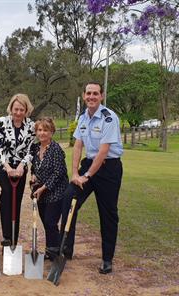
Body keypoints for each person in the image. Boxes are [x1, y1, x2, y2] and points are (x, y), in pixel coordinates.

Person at [60, 81, 123, 274]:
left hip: (108, 169)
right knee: (69, 199)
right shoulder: (83, 118)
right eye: (88, 93)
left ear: (101, 96)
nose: (91, 97)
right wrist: (75, 174)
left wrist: (86, 175)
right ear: (84, 95)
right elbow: (78, 145)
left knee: (108, 214)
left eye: (95, 93)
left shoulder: (109, 118)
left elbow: (104, 151)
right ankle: (65, 250)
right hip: (88, 165)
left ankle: (107, 259)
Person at [0, 93, 35, 246]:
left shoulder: (31, 125)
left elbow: (31, 150)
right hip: (3, 165)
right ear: (11, 108)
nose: (18, 113)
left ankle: (14, 239)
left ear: (26, 110)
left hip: (21, 167)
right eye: (15, 109)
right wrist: (8, 167)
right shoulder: (2, 122)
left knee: (17, 200)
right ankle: (6, 236)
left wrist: (22, 166)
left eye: (21, 110)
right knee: (8, 194)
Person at [29, 117, 68, 260]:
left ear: (52, 132)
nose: (42, 133)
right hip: (41, 193)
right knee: (46, 223)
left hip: (55, 192)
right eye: (39, 130)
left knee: (51, 222)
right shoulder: (35, 148)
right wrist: (33, 175)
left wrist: (44, 187)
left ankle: (56, 252)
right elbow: (34, 167)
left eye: (46, 130)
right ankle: (51, 250)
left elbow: (59, 173)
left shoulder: (56, 149)